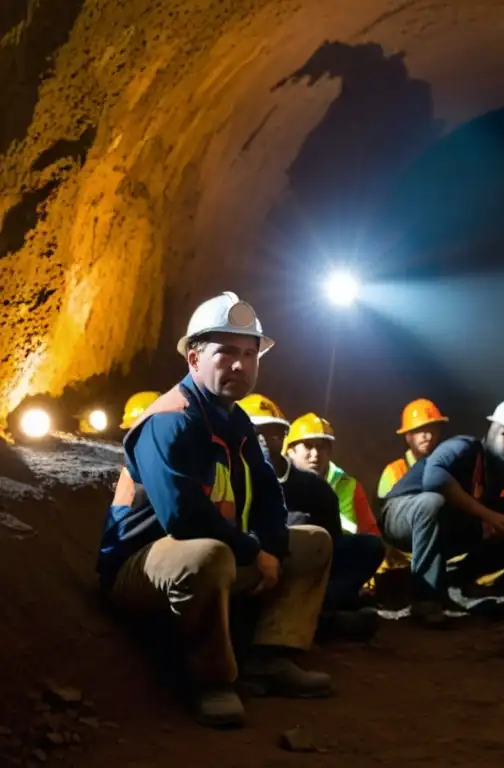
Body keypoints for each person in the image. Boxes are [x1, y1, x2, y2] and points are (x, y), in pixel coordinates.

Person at [96, 292, 334, 729]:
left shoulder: (235, 420)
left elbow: (266, 493)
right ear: (193, 359)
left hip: (215, 557)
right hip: (141, 566)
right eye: (226, 353)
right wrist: (252, 551)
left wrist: (275, 548)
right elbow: (183, 517)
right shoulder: (169, 418)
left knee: (313, 542)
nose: (241, 365)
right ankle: (212, 682)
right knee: (209, 553)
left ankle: (271, 657)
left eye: (250, 353)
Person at [379, 397, 504, 625]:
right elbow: (434, 479)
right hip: (402, 515)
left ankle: (454, 580)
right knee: (432, 502)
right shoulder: (463, 448)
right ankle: (426, 601)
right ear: (491, 430)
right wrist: (489, 516)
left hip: (451, 526)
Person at [238, 394, 384, 635]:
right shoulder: (230, 478)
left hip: (304, 566)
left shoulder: (315, 488)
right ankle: (320, 620)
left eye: (271, 433)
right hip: (257, 564)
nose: (262, 441)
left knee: (366, 547)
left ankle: (318, 610)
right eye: (255, 433)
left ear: (283, 439)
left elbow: (334, 543)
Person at [284, 413, 380, 536]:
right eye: (308, 445)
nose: (315, 453)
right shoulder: (277, 482)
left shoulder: (349, 486)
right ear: (290, 451)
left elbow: (371, 534)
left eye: (321, 447)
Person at [377, 398, 448, 500]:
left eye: (431, 428)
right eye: (419, 430)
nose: (426, 435)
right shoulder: (393, 472)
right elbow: (386, 511)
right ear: (407, 436)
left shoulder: (447, 467)